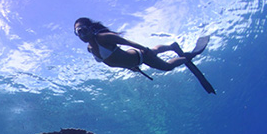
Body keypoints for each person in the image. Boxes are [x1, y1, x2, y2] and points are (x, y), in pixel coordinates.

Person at [73, 17, 207, 82]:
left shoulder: (103, 38)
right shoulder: (90, 49)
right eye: (78, 33)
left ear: (91, 29)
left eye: (83, 30)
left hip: (140, 56)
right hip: (134, 62)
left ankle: (187, 57)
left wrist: (144, 49)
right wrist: (130, 67)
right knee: (154, 51)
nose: (82, 35)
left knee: (167, 67)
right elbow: (112, 62)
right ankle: (172, 46)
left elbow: (126, 42)